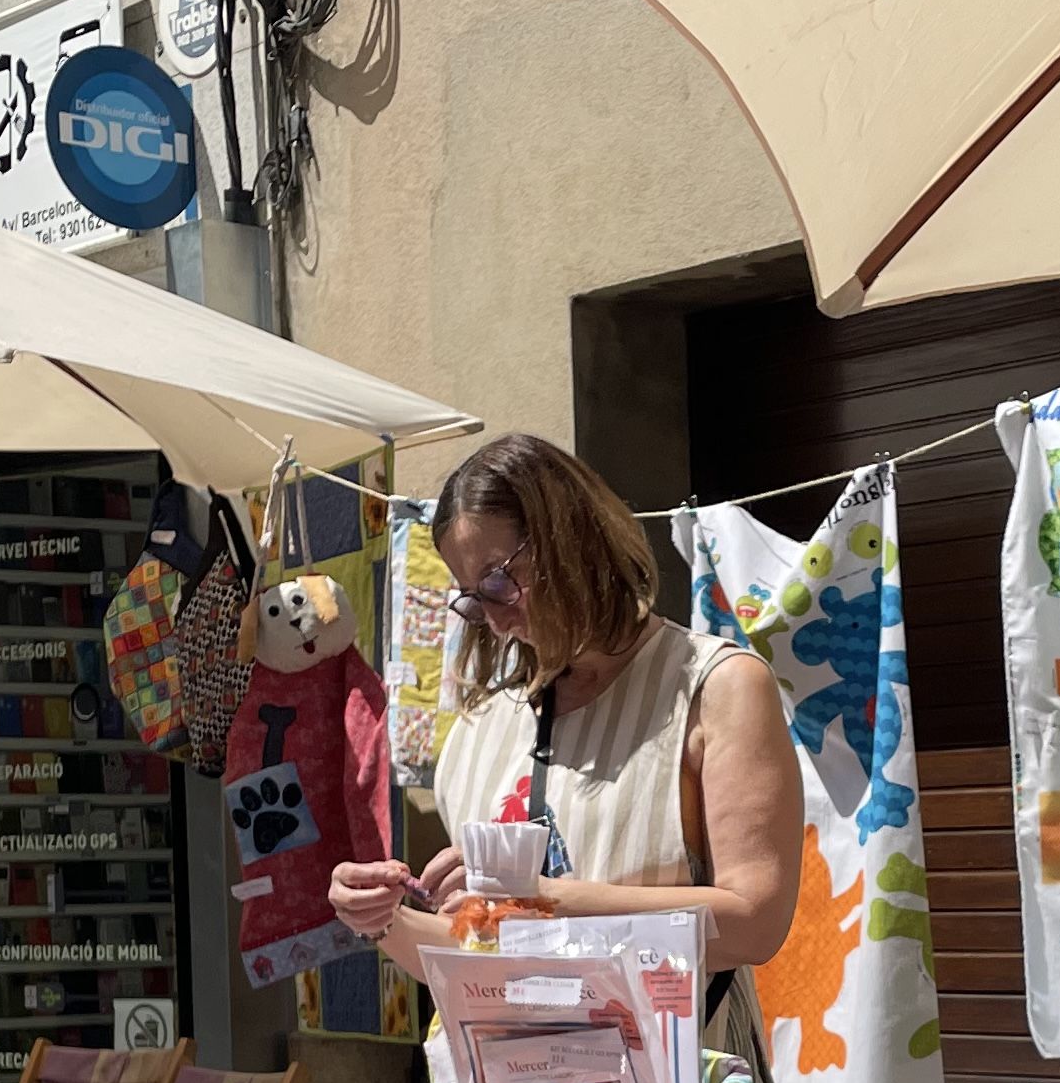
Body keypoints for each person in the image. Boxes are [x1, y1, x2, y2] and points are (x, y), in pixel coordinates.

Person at [330, 431, 802, 1049]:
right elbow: (475, 947)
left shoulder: (715, 688)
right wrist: (384, 919)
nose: (494, 618)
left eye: (499, 582)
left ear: (571, 539)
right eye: (471, 600)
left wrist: (546, 901)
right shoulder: (483, 726)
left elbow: (756, 922)